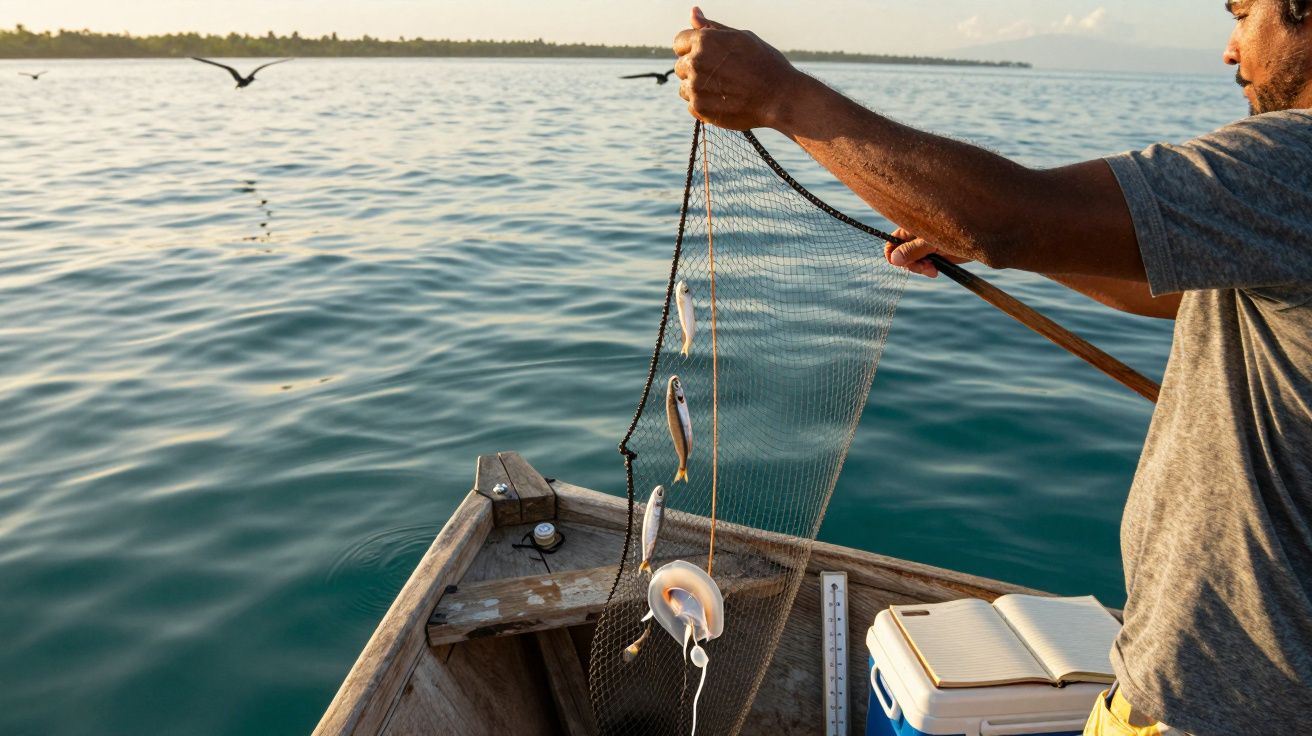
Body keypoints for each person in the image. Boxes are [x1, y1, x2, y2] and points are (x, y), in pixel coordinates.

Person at [673, 2, 1312, 734]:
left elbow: (1010, 215)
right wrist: (996, 243)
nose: (1230, 48)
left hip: (1225, 704)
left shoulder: (1294, 160)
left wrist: (781, 96)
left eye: (1244, 12)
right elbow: (1176, 290)